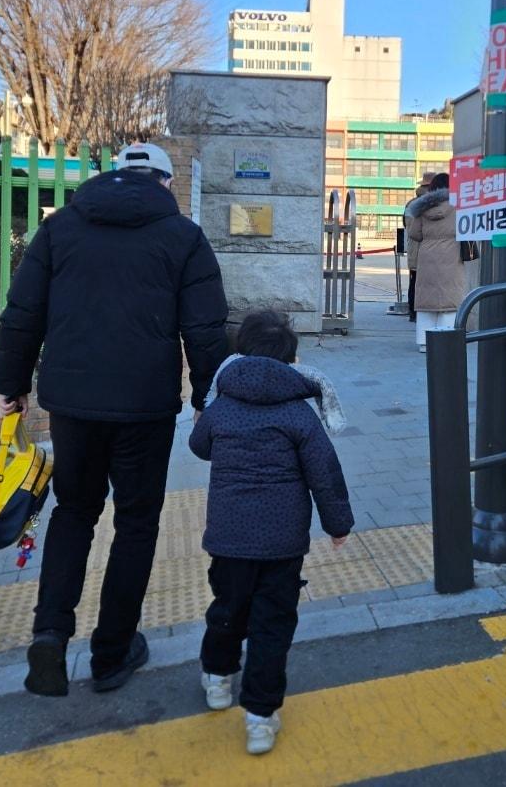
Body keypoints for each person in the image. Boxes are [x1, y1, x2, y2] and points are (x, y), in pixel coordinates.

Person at [0, 141, 229, 698]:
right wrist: (208, 397)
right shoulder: (183, 237)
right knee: (137, 522)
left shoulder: (60, 229)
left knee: (74, 512)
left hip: (72, 402)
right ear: (165, 183)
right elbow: (204, 329)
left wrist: (10, 384)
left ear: (112, 176)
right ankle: (112, 652)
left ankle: (50, 633)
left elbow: (23, 312)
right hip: (145, 404)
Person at [189, 310, 353, 756]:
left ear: (239, 354)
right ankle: (260, 718)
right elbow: (325, 473)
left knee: (227, 608)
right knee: (272, 624)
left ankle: (217, 678)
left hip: (228, 539)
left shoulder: (223, 406)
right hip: (283, 544)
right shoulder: (299, 413)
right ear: (292, 361)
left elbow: (198, 446)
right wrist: (338, 525)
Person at [405, 172, 467, 351]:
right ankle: (445, 341)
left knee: (427, 300)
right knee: (450, 298)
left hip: (427, 256)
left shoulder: (422, 207)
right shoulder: (459, 205)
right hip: (452, 254)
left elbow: (414, 233)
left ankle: (424, 342)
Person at [407, 172, 438, 321]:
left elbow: (407, 225)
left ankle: (413, 313)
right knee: (429, 283)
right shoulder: (435, 203)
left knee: (414, 282)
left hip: (414, 249)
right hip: (430, 249)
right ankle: (426, 312)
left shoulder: (411, 203)